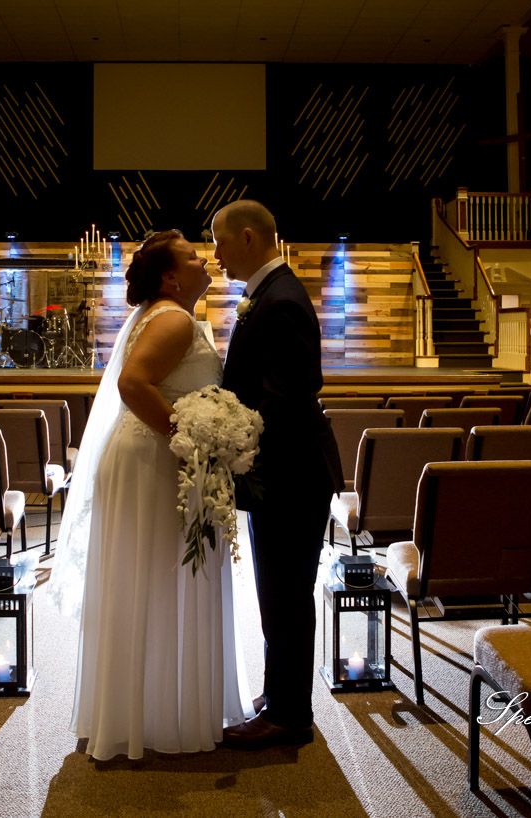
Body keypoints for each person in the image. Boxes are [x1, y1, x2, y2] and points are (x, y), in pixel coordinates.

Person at [46, 229, 253, 761]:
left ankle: (145, 712)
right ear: (170, 275)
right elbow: (133, 384)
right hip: (154, 460)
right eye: (191, 256)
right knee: (160, 577)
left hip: (148, 456)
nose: (203, 259)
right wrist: (187, 439)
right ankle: (157, 715)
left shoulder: (162, 314)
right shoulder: (175, 318)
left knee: (152, 581)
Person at [214, 200, 345, 750]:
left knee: (286, 594)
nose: (215, 253)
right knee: (278, 592)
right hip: (285, 474)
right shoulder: (267, 294)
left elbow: (285, 402)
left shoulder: (281, 301)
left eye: (219, 240)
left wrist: (227, 436)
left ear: (248, 237)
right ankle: (282, 693)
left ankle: (290, 718)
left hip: (290, 476)